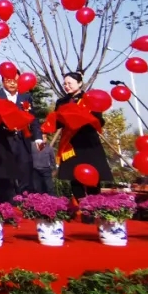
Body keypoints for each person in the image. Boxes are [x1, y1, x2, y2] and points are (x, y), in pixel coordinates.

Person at [49, 71, 113, 200]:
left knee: (92, 175)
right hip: (70, 144)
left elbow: (99, 121)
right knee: (74, 176)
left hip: (88, 143)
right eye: (65, 84)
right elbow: (57, 123)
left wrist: (84, 118)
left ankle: (95, 205)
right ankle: (79, 205)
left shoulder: (90, 98)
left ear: (79, 83)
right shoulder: (61, 102)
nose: (66, 86)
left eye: (70, 83)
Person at [0, 73, 42, 198]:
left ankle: (26, 201)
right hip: (3, 140)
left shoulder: (25, 96)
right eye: (8, 80)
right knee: (6, 175)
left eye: (15, 80)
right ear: (3, 81)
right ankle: (7, 203)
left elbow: (33, 118)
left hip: (22, 140)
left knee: (25, 171)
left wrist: (38, 137)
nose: (12, 83)